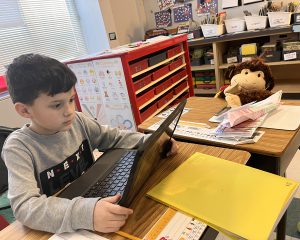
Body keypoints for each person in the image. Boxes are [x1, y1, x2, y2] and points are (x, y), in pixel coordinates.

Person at [1, 54, 178, 234]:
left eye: (71, 100)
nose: (69, 111)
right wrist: (86, 214)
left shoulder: (78, 121)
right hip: (60, 224)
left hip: (94, 195)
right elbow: (25, 207)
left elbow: (114, 137)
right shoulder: (18, 147)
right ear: (24, 110)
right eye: (56, 105)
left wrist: (153, 141)